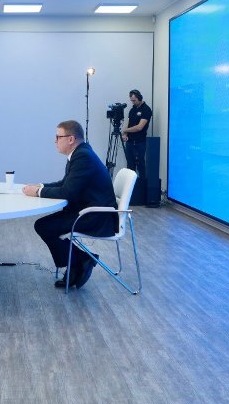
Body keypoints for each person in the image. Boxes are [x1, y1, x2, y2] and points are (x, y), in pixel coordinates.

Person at [22, 120, 117, 289]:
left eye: (58, 137)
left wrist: (37, 192)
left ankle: (79, 261)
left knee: (44, 227)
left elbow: (67, 192)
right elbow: (66, 183)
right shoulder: (80, 153)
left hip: (95, 216)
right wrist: (40, 186)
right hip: (86, 210)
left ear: (71, 139)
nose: (55, 141)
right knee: (44, 226)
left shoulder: (83, 157)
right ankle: (79, 261)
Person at [122, 89, 153, 179]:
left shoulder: (146, 110)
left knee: (140, 165)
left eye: (134, 100)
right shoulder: (132, 110)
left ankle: (142, 185)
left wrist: (125, 130)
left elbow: (139, 127)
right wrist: (125, 134)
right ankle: (131, 186)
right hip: (130, 142)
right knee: (130, 166)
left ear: (139, 98)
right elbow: (128, 123)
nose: (133, 102)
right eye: (131, 100)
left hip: (140, 142)